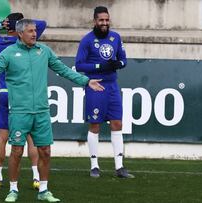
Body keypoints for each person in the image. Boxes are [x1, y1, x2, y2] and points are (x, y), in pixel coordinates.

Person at [0, 19, 104, 202]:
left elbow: (63, 70)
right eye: (30, 31)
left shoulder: (44, 51)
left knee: (45, 151)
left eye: (35, 31)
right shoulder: (8, 53)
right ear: (20, 33)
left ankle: (44, 190)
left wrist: (86, 81)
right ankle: (13, 189)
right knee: (17, 151)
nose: (34, 34)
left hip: (42, 112)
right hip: (19, 112)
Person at [0, 12, 47, 190]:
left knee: (2, 137)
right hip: (22, 95)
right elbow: (42, 23)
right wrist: (20, 23)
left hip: (5, 93)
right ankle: (36, 176)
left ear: (8, 27)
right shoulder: (21, 43)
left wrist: (1, 24)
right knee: (31, 137)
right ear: (21, 29)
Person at [75, 6, 134, 179]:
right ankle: (94, 166)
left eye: (107, 20)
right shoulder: (87, 40)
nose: (105, 23)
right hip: (95, 85)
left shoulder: (115, 37)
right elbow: (79, 65)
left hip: (112, 86)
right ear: (94, 21)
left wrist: (118, 64)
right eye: (101, 20)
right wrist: (100, 66)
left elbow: (123, 60)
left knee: (117, 124)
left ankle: (120, 167)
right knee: (95, 125)